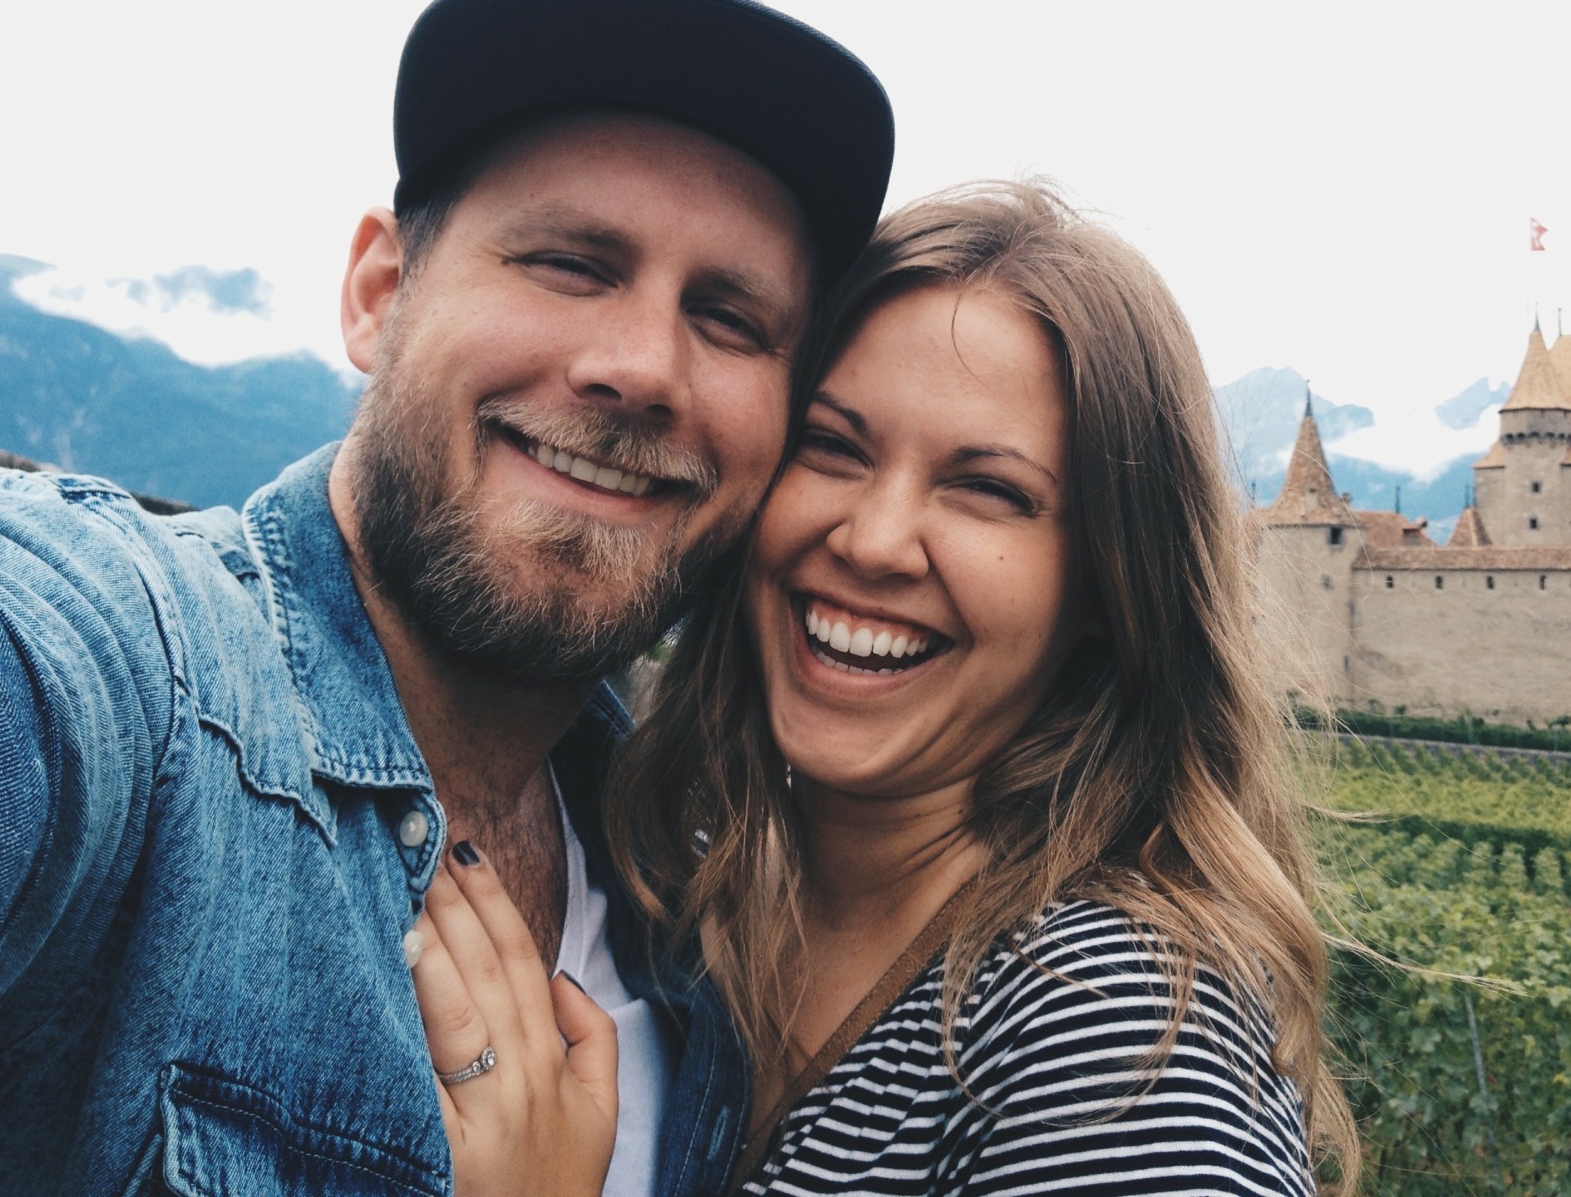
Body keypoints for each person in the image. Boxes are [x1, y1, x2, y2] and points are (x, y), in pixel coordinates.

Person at [0, 0, 892, 1196]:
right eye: (570, 262)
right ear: (379, 294)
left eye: (729, 319)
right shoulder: (156, 678)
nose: (642, 367)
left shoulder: (688, 888)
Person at [417, 183, 1359, 1196]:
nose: (872, 542)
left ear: (1106, 584)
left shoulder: (1115, 1035)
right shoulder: (693, 906)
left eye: (986, 489)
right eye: (832, 447)